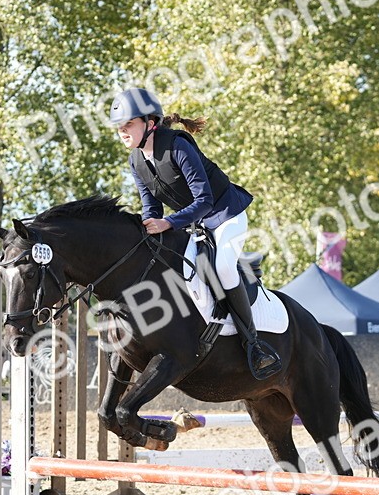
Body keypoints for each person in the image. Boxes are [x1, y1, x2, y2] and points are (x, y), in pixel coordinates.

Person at [109, 87, 282, 380]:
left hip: (226, 215)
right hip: (193, 224)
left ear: (150, 123)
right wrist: (149, 226)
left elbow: (204, 199)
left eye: (128, 125)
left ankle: (254, 344)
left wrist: (169, 224)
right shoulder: (136, 160)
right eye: (119, 128)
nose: (122, 132)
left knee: (223, 267)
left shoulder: (177, 146)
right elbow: (150, 206)